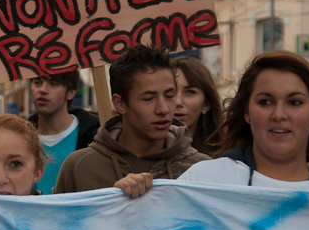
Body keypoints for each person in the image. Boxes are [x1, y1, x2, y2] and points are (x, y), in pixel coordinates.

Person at [177, 51, 309, 191]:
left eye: (294, 102)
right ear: (246, 112)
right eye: (265, 102)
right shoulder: (202, 180)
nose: (279, 114)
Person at [0, 114, 151, 225]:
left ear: (38, 172)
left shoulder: (64, 222)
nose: (0, 178)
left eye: (15, 164)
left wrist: (121, 204)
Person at [54, 45, 208, 193]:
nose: (164, 109)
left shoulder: (201, 168)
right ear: (120, 103)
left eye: (169, 96)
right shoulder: (79, 168)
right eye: (148, 98)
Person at [27, 71, 100, 194]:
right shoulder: (21, 137)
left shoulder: (96, 134)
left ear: (71, 92)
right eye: (37, 82)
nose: (43, 90)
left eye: (53, 84)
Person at [172, 56, 221, 155]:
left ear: (206, 104)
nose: (178, 102)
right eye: (170, 93)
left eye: (190, 92)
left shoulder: (224, 160)